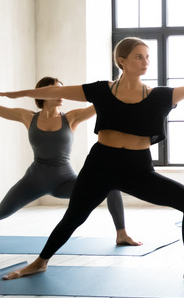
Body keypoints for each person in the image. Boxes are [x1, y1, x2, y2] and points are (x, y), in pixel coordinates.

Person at [1, 37, 184, 283]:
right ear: (121, 60)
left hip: (138, 169)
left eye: (148, 57)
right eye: (139, 57)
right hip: (100, 165)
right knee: (74, 217)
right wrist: (15, 94)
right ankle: (40, 262)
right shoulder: (100, 90)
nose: (145, 62)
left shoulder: (160, 95)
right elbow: (59, 91)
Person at [0, 77, 139, 246]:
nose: (61, 94)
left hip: (65, 182)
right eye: (55, 90)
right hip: (33, 182)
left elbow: (102, 101)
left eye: (62, 90)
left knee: (111, 184)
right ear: (42, 94)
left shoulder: (72, 117)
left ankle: (122, 234)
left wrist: (118, 86)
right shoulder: (27, 117)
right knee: (2, 211)